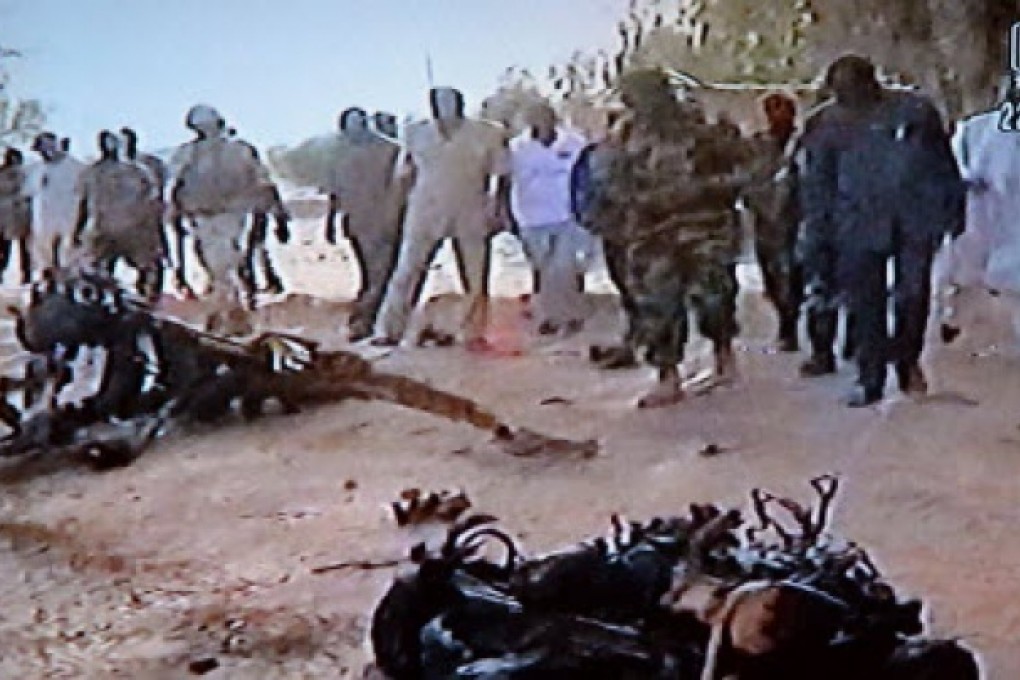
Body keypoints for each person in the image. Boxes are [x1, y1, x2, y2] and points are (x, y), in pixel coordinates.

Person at [798, 55, 966, 406]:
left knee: (912, 295)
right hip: (855, 224)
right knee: (864, 304)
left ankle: (907, 361)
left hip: (915, 218)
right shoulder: (825, 124)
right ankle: (868, 377)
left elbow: (942, 162)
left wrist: (953, 208)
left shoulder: (915, 111)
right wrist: (817, 235)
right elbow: (817, 185)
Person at [586, 68, 751, 407]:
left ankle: (723, 356)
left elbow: (744, 170)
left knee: (714, 299)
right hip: (652, 234)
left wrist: (706, 189)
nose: (636, 104)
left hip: (705, 227)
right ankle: (668, 376)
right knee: (658, 305)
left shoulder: (703, 130)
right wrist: (625, 210)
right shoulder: (623, 136)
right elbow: (607, 183)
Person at [374, 87, 511, 349]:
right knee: (407, 271)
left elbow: (502, 174)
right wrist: (394, 211)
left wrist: (498, 209)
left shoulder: (488, 132)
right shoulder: (415, 133)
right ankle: (389, 329)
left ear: (460, 103)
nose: (445, 108)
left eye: (450, 102)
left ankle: (473, 333)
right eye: (439, 103)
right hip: (424, 209)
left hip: (471, 208)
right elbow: (403, 176)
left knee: (475, 275)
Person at [167, 104, 285, 333]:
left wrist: (276, 212)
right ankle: (229, 314)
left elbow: (263, 181)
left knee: (225, 264)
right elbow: (174, 185)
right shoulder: (187, 154)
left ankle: (230, 315)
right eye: (200, 127)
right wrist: (175, 211)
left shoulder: (240, 150)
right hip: (201, 216)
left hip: (233, 214)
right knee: (213, 265)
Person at [508, 102, 590, 335]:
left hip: (568, 214)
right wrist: (503, 214)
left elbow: (586, 177)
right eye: (535, 119)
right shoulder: (516, 148)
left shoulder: (575, 143)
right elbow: (505, 183)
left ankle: (572, 315)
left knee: (566, 266)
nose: (541, 123)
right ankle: (549, 316)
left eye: (546, 118)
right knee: (542, 269)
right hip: (531, 216)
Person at [322, 107, 404, 341]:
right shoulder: (340, 156)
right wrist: (331, 223)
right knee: (371, 276)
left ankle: (365, 321)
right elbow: (335, 193)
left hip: (386, 221)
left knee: (382, 275)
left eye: (359, 123)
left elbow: (403, 186)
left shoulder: (391, 150)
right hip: (357, 223)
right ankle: (370, 320)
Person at [742, 93, 804, 352]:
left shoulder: (804, 143)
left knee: (795, 276)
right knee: (772, 277)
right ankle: (784, 324)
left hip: (799, 220)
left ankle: (791, 329)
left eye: (783, 109)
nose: (778, 115)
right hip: (766, 221)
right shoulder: (757, 146)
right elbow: (747, 179)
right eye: (772, 109)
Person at [73, 130, 165, 299]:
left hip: (134, 230)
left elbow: (152, 203)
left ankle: (149, 299)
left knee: (148, 268)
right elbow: (84, 203)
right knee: (99, 271)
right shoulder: (91, 173)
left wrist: (154, 231)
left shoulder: (138, 172)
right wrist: (78, 230)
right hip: (105, 231)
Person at [25, 132, 85, 277]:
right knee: (43, 252)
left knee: (70, 255)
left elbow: (85, 194)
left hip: (69, 217)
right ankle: (48, 277)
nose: (42, 154)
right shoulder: (36, 170)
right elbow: (27, 192)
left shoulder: (76, 168)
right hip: (45, 220)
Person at [0, 148, 32, 283]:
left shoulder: (26, 173)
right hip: (3, 215)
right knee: (3, 247)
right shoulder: (1, 174)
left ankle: (26, 274)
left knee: (24, 248)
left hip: (21, 215)